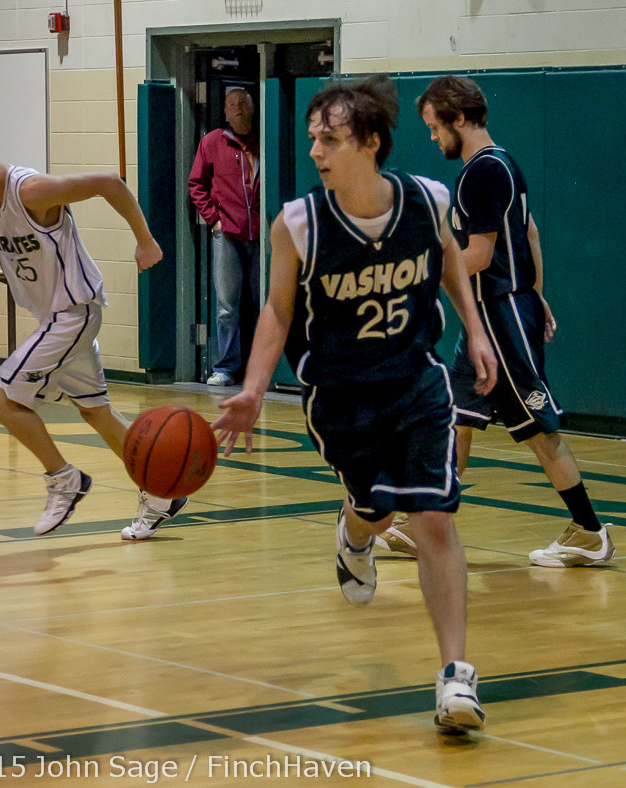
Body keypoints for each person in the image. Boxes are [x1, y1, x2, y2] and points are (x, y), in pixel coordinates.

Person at [213, 76, 498, 734]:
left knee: (433, 518)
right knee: (377, 507)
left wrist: (476, 331)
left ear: (369, 142)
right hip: (339, 392)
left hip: (415, 380)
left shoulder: (428, 199)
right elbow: (279, 311)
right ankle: (353, 534)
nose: (316, 151)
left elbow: (452, 260)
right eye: (313, 138)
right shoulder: (298, 224)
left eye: (330, 139)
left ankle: (456, 676)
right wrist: (253, 388)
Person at [394, 74, 613, 569]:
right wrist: (536, 292)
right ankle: (425, 525)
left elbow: (478, 254)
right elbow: (529, 231)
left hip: (498, 314)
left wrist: (417, 270)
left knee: (538, 428)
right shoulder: (501, 163)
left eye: (434, 127)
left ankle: (590, 530)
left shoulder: (481, 173)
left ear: (458, 117)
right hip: (491, 315)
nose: (432, 138)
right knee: (456, 416)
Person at [0, 125, 187, 540]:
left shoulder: (31, 190)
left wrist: (145, 241)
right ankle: (162, 493)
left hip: (74, 313)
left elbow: (109, 182)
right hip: (55, 319)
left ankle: (63, 479)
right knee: (96, 413)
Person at [188, 87, 260, 387]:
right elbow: (196, 184)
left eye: (243, 103)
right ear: (225, 111)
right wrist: (214, 220)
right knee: (227, 306)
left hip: (262, 234)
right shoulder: (213, 142)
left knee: (264, 303)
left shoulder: (264, 138)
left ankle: (261, 369)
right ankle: (225, 368)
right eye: (232, 104)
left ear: (253, 107)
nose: (238, 108)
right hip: (227, 234)